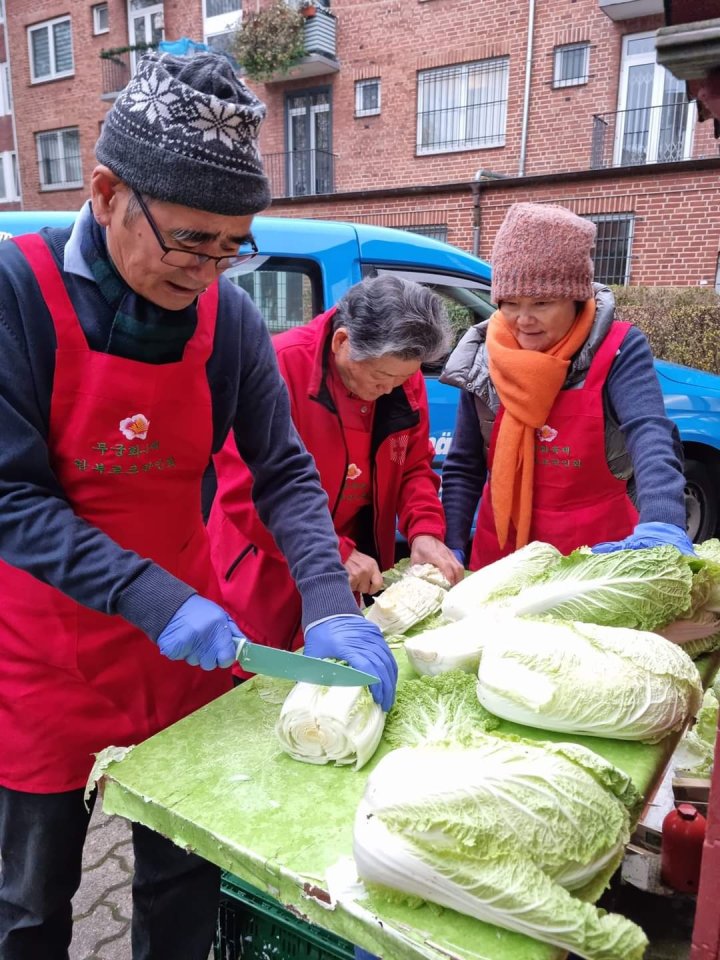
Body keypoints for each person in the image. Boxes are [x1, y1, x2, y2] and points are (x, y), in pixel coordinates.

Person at [0, 52, 396, 960]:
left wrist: (332, 607)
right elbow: (10, 498)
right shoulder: (15, 296)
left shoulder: (231, 323)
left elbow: (286, 474)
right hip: (44, 662)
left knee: (181, 883)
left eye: (232, 245)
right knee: (29, 901)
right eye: (189, 239)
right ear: (105, 192)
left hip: (185, 654)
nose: (210, 268)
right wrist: (151, 597)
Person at [207, 274, 464, 679]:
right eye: (381, 379)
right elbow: (247, 492)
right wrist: (335, 553)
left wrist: (425, 531)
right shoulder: (278, 366)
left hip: (356, 565)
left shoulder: (400, 372)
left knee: (337, 676)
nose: (391, 389)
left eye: (402, 379)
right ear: (342, 343)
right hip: (268, 567)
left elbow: (414, 464)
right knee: (260, 683)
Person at [440, 202, 694, 570]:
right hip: (504, 557)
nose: (523, 320)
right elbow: (465, 465)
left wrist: (662, 520)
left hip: (597, 557)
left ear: (575, 298)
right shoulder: (484, 355)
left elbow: (649, 434)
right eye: (509, 303)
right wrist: (452, 543)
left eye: (541, 303)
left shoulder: (618, 348)